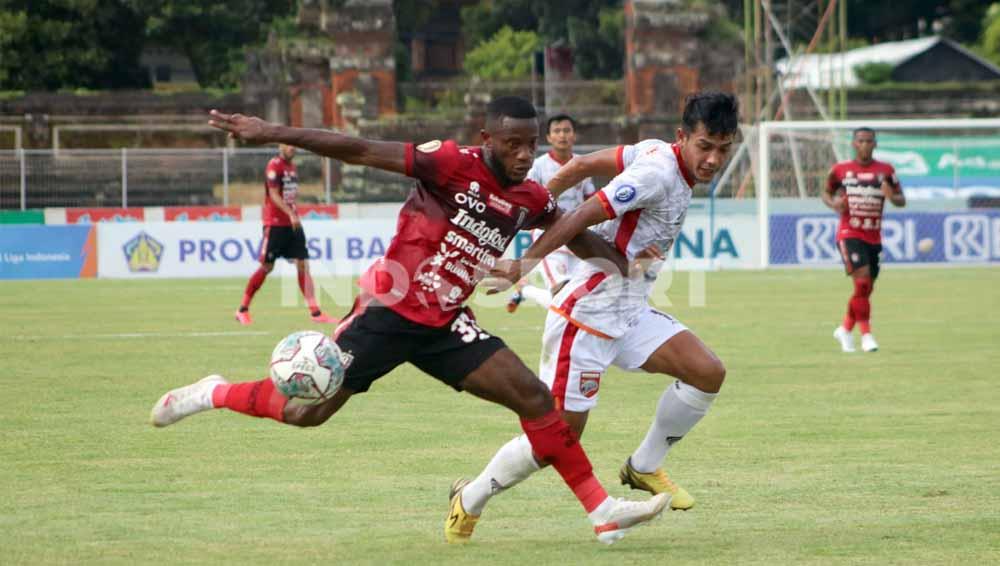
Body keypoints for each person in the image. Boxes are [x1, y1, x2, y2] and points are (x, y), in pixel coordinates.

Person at [150, 96, 668, 545]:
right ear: (487, 138)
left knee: (533, 398)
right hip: (387, 312)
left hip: (445, 324)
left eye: (530, 144)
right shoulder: (447, 162)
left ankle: (601, 512)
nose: (524, 154)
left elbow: (576, 232)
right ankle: (213, 392)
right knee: (304, 414)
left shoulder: (529, 197)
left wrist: (628, 263)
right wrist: (271, 132)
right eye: (513, 144)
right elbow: (356, 148)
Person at [448, 92, 739, 540]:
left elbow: (580, 166)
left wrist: (537, 200)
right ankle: (469, 499)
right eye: (705, 146)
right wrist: (523, 263)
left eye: (724, 148)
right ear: (683, 137)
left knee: (707, 372)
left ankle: (644, 466)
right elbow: (583, 214)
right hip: (586, 315)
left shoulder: (655, 150)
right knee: (555, 443)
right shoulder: (655, 173)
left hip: (629, 310)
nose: (713, 159)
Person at [822, 127, 905, 353]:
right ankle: (867, 335)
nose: (865, 145)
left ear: (875, 144)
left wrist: (891, 196)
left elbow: (901, 200)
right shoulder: (840, 170)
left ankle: (845, 329)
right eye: (861, 141)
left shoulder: (886, 171)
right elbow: (826, 193)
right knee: (861, 282)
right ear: (854, 144)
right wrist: (834, 204)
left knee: (865, 289)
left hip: (873, 236)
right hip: (849, 232)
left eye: (869, 141)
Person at [235, 143, 337, 325]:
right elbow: (273, 195)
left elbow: (289, 195)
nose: (292, 148)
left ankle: (315, 313)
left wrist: (293, 214)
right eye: (288, 145)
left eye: (294, 146)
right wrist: (290, 213)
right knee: (267, 267)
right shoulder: (274, 165)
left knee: (303, 265)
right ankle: (242, 309)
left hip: (293, 223)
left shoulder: (292, 167)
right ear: (280, 146)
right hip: (275, 224)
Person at [507, 113, 596, 312]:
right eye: (557, 131)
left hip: (579, 238)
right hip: (549, 239)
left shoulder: (583, 165)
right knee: (562, 296)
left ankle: (526, 290)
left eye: (566, 130)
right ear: (549, 138)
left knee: (581, 298)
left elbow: (591, 199)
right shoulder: (538, 166)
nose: (562, 135)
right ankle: (528, 291)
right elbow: (526, 200)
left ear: (574, 135)